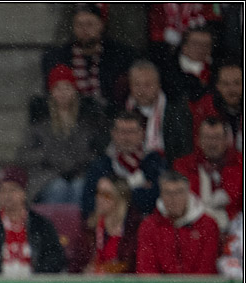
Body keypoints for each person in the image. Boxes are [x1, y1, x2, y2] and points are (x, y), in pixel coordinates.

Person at [18, 64, 107, 204]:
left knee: (80, 188)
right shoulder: (40, 121)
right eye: (58, 88)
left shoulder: (87, 120)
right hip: (47, 176)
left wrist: (76, 161)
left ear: (74, 90)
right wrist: (48, 156)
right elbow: (25, 155)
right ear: (51, 91)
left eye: (67, 87)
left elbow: (93, 152)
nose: (63, 92)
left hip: (79, 174)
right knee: (58, 188)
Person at [40, 4, 135, 112]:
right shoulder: (58, 57)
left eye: (89, 24)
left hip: (110, 117)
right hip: (74, 118)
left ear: (101, 25)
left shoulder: (121, 55)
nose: (84, 30)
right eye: (79, 24)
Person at [0, 165, 66, 276]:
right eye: (2, 190)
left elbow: (54, 259)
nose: (7, 195)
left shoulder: (41, 225)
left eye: (13, 189)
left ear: (24, 192)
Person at [81, 111, 167, 220]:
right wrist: (137, 192)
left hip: (147, 225)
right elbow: (88, 204)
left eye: (131, 132)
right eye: (122, 132)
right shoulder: (101, 165)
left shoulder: (155, 162)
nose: (126, 137)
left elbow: (157, 200)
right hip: (109, 226)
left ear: (142, 133)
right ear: (113, 133)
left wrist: (113, 194)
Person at [136, 170, 221, 274]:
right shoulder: (149, 225)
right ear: (161, 194)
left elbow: (206, 268)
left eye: (179, 192)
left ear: (188, 193)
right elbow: (146, 268)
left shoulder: (207, 224)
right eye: (168, 193)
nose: (173, 198)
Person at [172, 117, 243, 230]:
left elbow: (235, 198)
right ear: (199, 140)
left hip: (234, 228)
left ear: (226, 140)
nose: (212, 143)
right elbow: (186, 202)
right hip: (195, 229)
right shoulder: (184, 165)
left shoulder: (239, 163)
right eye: (207, 138)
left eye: (216, 138)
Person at [124, 59, 194, 160]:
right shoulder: (121, 109)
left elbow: (183, 151)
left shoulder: (176, 113)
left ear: (158, 85)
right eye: (136, 84)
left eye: (147, 85)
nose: (141, 90)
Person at [86, 175, 141, 273]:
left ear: (120, 198)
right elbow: (77, 262)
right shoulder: (91, 226)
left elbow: (134, 263)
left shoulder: (134, 226)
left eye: (106, 195)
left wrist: (111, 269)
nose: (99, 198)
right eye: (98, 193)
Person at [191, 62, 242, 151]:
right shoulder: (205, 109)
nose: (232, 89)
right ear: (218, 86)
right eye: (226, 84)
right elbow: (198, 147)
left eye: (237, 83)